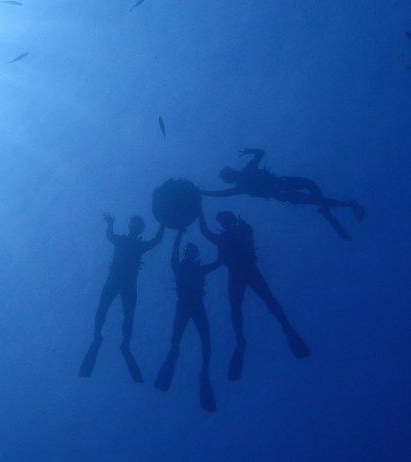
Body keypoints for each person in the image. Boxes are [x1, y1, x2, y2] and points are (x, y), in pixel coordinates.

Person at [199, 209, 310, 381]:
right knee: (254, 304)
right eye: (222, 221)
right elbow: (218, 253)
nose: (223, 222)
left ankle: (278, 329)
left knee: (256, 303)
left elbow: (214, 243)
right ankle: (283, 328)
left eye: (223, 220)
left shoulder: (236, 233)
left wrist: (199, 209)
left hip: (242, 273)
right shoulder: (237, 233)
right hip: (245, 272)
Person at [201, 148, 364, 240]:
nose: (233, 174)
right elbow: (223, 193)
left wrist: (203, 192)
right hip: (283, 192)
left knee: (312, 188)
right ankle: (339, 206)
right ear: (231, 176)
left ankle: (328, 209)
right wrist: (203, 192)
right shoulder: (242, 182)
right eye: (230, 175)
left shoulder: (245, 175)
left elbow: (260, 153)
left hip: (283, 185)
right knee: (314, 196)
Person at [78, 213, 165, 383]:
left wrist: (162, 223)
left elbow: (155, 240)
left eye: (136, 226)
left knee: (123, 313)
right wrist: (110, 223)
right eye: (135, 225)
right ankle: (104, 338)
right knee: (107, 310)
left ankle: (117, 341)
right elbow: (155, 240)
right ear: (135, 227)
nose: (135, 228)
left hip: (122, 282)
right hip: (121, 281)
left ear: (136, 228)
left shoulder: (130, 243)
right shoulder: (134, 244)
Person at [154, 229, 221, 411]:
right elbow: (217, 263)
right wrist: (179, 235)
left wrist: (179, 234)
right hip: (189, 306)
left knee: (200, 341)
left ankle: (199, 370)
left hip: (187, 306)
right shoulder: (188, 268)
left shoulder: (188, 268)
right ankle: (184, 363)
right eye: (190, 252)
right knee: (192, 341)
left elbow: (216, 263)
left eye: (191, 252)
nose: (190, 254)